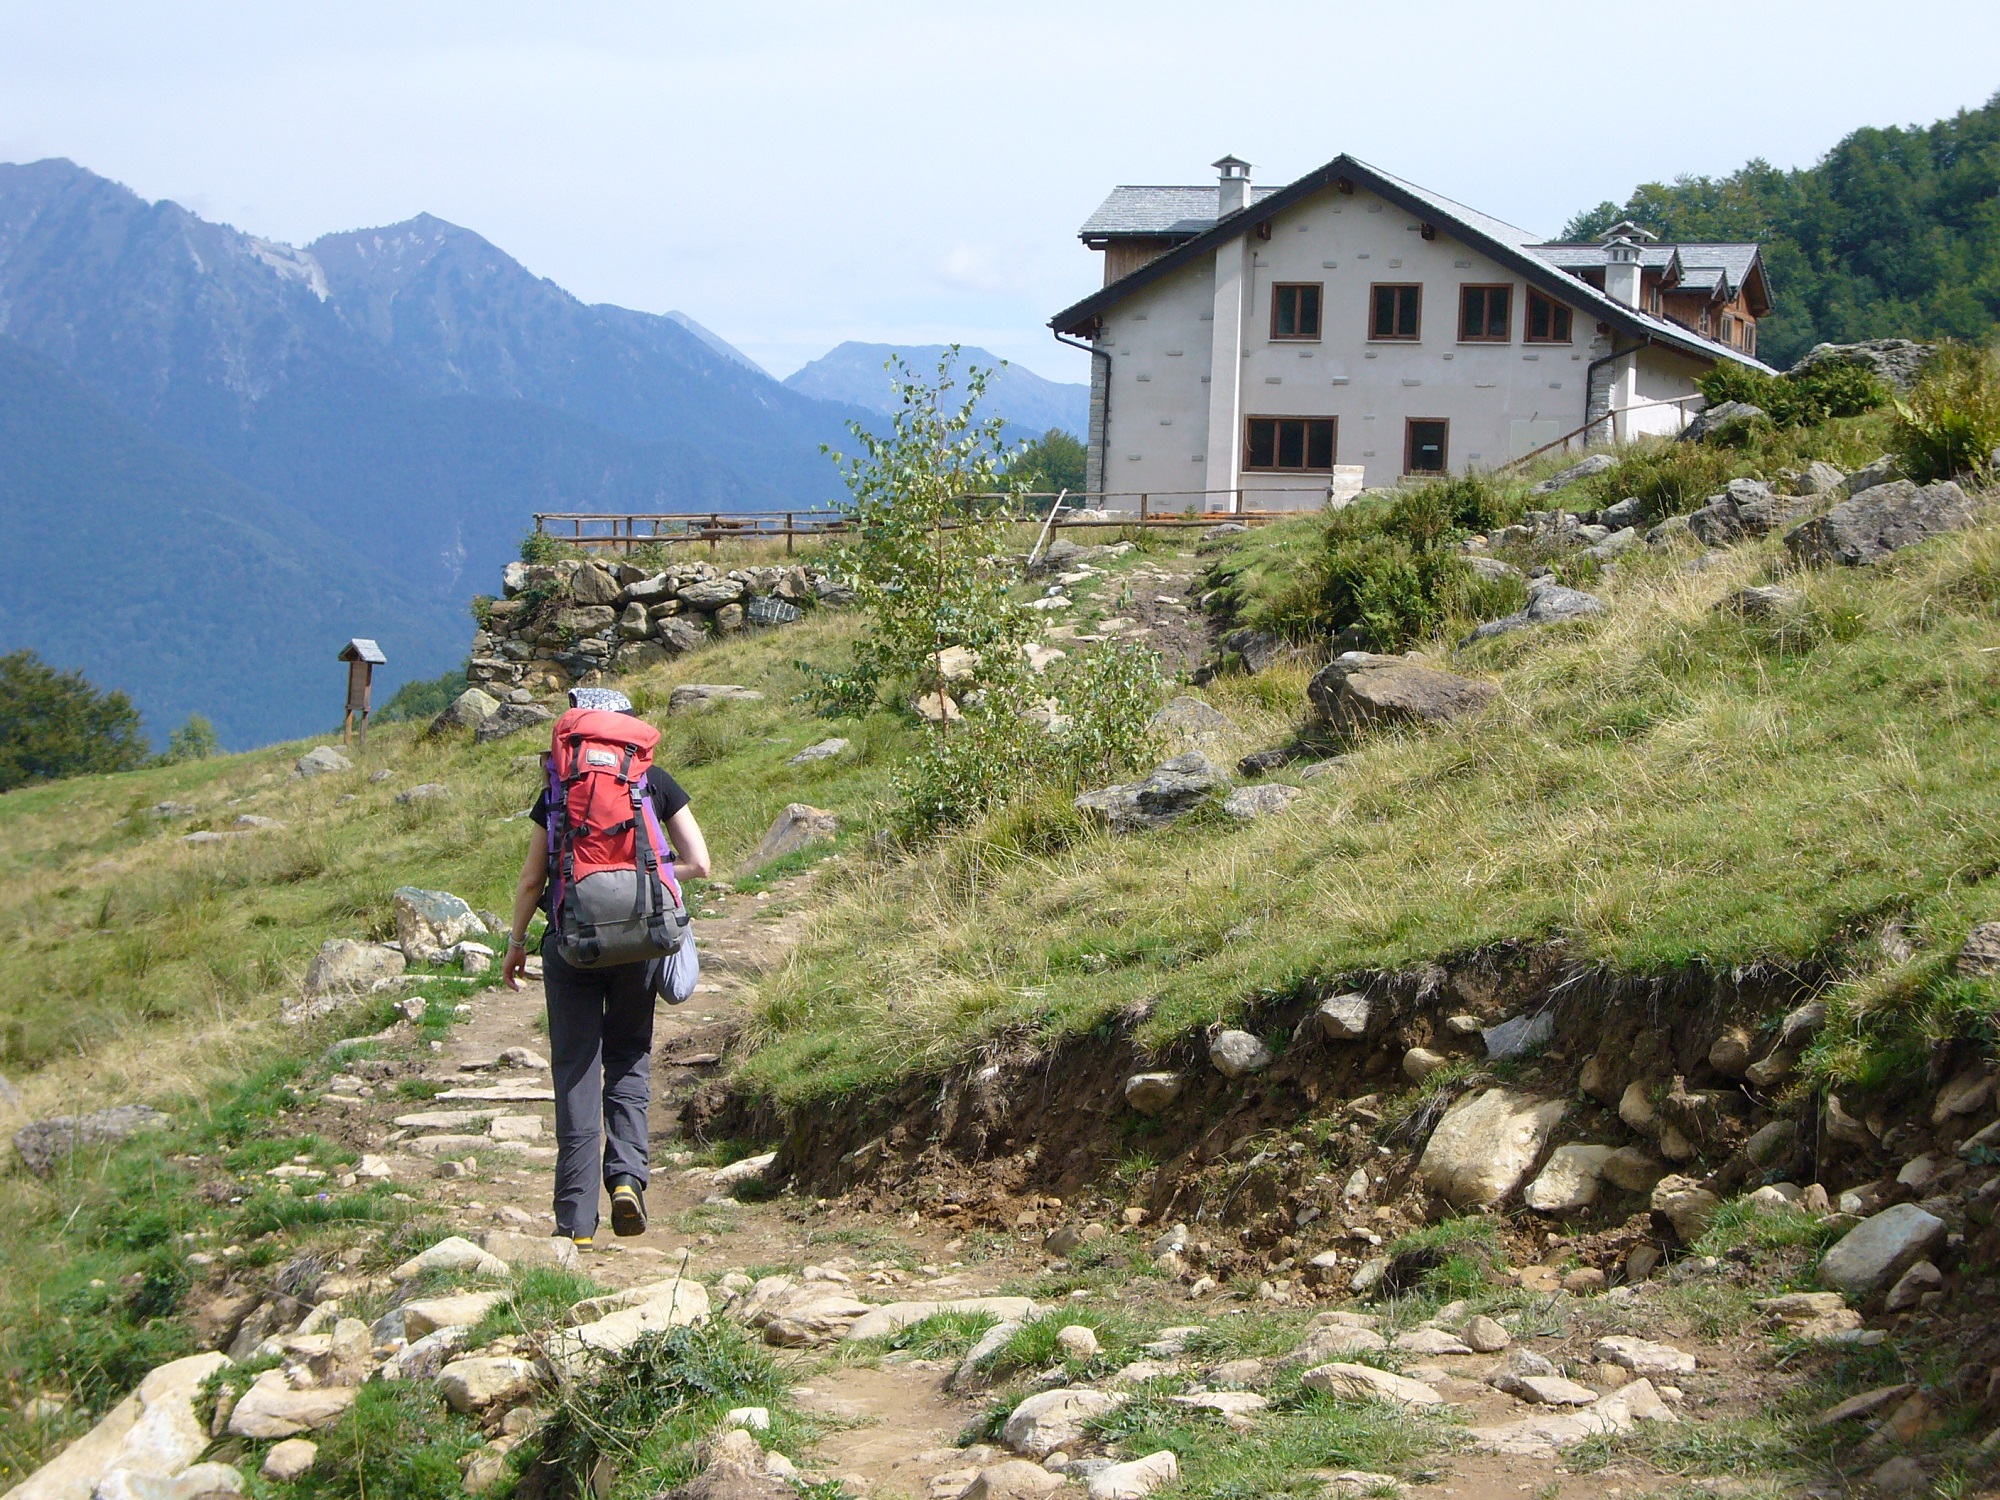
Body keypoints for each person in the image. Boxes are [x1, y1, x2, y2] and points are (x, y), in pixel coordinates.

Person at [501, 687, 711, 1248]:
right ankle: (626, 1181)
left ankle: (575, 1221)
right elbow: (699, 863)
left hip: (571, 943)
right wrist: (648, 881)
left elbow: (530, 879)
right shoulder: (652, 781)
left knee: (576, 1069)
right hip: (639, 941)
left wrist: (517, 941)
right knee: (628, 1059)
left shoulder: (558, 785)